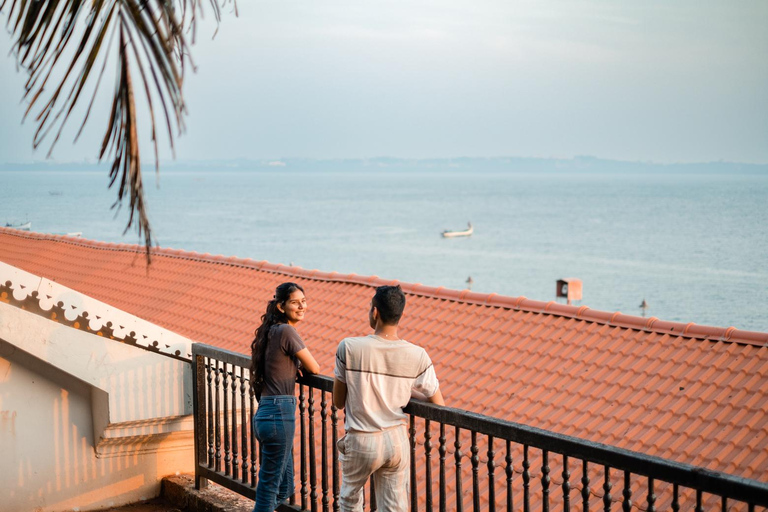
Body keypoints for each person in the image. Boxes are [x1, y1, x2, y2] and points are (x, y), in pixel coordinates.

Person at [333, 285, 445, 512]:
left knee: (350, 501)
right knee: (393, 508)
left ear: (375, 312)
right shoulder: (417, 354)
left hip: (362, 438)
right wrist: (403, 390)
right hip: (396, 440)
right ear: (399, 315)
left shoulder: (349, 347)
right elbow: (438, 404)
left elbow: (338, 400)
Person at [250, 282, 320, 512]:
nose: (302, 306)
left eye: (304, 301)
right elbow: (315, 368)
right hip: (279, 413)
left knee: (285, 486)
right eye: (295, 302)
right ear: (281, 306)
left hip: (266, 413)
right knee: (269, 488)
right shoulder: (287, 331)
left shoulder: (270, 331)